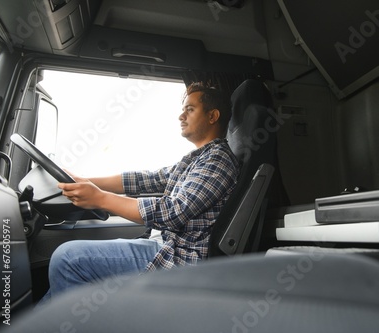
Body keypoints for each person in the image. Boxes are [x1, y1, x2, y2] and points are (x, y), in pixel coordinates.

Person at [39, 82, 240, 304]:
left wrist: (100, 199)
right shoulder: (196, 159)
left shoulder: (218, 160)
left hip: (178, 258)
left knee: (67, 259)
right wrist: (85, 181)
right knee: (66, 267)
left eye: (190, 109)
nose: (181, 116)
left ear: (213, 116)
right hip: (164, 243)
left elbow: (173, 212)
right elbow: (148, 180)